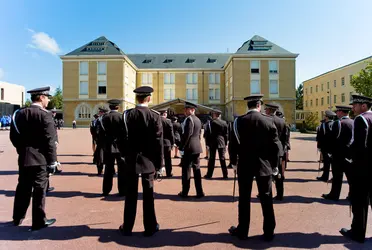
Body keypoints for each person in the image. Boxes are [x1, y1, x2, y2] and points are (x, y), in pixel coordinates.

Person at [228, 94, 280, 241]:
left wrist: (233, 162)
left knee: (244, 199)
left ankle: (243, 231)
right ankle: (269, 232)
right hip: (264, 166)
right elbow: (276, 146)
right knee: (266, 199)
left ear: (248, 106)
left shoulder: (238, 121)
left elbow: (232, 144)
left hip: (244, 165)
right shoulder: (269, 121)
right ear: (259, 105)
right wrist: (275, 165)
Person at [9, 86, 57, 231]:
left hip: (24, 157)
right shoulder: (45, 115)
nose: (48, 100)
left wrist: (22, 150)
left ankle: (18, 217)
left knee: (22, 188)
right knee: (39, 190)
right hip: (40, 159)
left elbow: (13, 137)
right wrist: (53, 161)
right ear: (41, 97)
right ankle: (38, 221)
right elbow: (50, 140)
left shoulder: (19, 114)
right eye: (47, 97)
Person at [119, 86, 163, 237]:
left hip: (131, 160)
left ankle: (127, 227)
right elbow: (158, 143)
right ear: (149, 98)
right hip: (149, 161)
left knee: (130, 195)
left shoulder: (126, 115)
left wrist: (124, 156)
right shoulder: (155, 116)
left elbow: (121, 139)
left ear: (136, 98)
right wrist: (160, 165)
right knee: (148, 196)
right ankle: (150, 227)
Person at [340, 95, 372, 243]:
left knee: (359, 201)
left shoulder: (361, 119)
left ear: (364, 106)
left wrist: (349, 158)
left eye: (355, 105)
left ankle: (358, 233)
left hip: (362, 167)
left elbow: (359, 145)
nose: (353, 108)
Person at [322, 105, 353, 201]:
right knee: (350, 177)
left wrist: (330, 152)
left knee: (337, 176)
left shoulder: (338, 123)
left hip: (338, 154)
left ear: (341, 112)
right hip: (350, 154)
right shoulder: (354, 122)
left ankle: (334, 195)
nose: (336, 113)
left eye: (338, 111)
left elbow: (333, 139)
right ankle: (352, 195)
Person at [178, 102, 205, 198]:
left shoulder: (189, 119)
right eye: (185, 109)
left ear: (192, 109)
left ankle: (185, 192)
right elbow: (198, 135)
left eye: (187, 109)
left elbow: (187, 135)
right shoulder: (198, 119)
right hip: (196, 147)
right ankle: (199, 192)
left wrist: (181, 147)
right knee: (197, 170)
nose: (185, 111)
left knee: (186, 171)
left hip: (189, 148)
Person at [101, 99, 126, 196]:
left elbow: (101, 133)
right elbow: (125, 133)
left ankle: (106, 190)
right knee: (122, 170)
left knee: (108, 169)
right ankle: (122, 190)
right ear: (118, 107)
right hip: (120, 146)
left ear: (109, 107)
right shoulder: (122, 117)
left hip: (108, 146)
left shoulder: (104, 117)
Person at [264, 103, 287, 201]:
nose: (265, 111)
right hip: (279, 150)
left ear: (269, 110)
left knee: (266, 173)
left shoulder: (265, 120)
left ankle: (266, 193)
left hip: (267, 150)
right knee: (278, 173)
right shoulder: (282, 121)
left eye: (266, 110)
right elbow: (285, 137)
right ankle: (280, 194)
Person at [204, 109, 228, 179]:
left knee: (211, 159)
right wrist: (226, 143)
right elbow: (226, 134)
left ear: (214, 115)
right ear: (219, 115)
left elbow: (207, 134)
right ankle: (225, 174)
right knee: (222, 159)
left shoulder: (210, 123)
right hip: (221, 142)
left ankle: (209, 174)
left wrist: (207, 144)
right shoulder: (224, 122)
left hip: (212, 142)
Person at [316, 110, 336, 182]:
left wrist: (319, 146)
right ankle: (334, 177)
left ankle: (325, 176)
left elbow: (320, 137)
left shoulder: (323, 125)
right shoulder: (335, 124)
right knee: (333, 164)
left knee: (326, 163)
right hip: (334, 147)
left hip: (325, 147)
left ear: (327, 117)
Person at [159, 109, 175, 177]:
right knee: (168, 159)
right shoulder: (168, 121)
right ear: (165, 114)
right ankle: (168, 173)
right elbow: (171, 134)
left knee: (159, 158)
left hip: (158, 142)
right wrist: (172, 142)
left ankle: (158, 173)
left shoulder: (156, 120)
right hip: (167, 143)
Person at [94, 108, 109, 175]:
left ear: (102, 112)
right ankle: (111, 170)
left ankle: (100, 170)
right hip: (110, 141)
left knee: (100, 157)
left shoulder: (99, 120)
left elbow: (96, 131)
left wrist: (96, 139)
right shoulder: (109, 117)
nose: (99, 113)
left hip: (101, 141)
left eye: (100, 112)